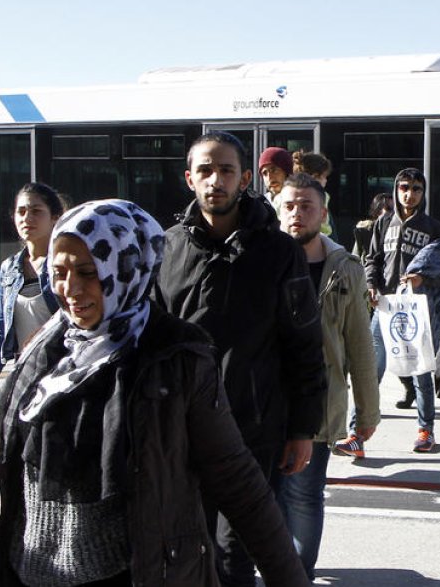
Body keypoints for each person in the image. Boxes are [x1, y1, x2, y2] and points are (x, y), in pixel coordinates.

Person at [0, 199, 309, 587]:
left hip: (130, 575)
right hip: (29, 573)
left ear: (127, 268)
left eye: (88, 272)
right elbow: (16, 485)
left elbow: (238, 483)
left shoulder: (174, 357)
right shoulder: (45, 348)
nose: (70, 289)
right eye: (59, 272)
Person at [153, 132, 327, 586]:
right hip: (180, 431)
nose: (216, 180)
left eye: (226, 170)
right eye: (205, 171)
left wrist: (302, 429)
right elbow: (148, 342)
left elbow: (305, 345)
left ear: (245, 178)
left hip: (253, 431)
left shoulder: (279, 252)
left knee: (235, 555)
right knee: (186, 545)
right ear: (189, 178)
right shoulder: (166, 249)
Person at [275, 173, 379, 578]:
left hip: (319, 402)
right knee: (268, 496)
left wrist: (367, 412)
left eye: (306, 206)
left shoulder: (344, 268)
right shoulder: (260, 258)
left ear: (323, 214)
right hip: (266, 401)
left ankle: (298, 575)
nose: (296, 214)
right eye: (289, 206)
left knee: (303, 495)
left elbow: (360, 345)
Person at [362, 167, 440, 453]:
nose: (409, 194)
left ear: (423, 193)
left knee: (421, 373)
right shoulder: (383, 223)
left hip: (417, 309)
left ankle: (426, 430)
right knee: (370, 370)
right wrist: (371, 285)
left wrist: (423, 279)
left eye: (416, 189)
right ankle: (356, 432)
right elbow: (372, 259)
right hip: (385, 306)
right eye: (404, 187)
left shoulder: (435, 229)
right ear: (396, 189)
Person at [0, 182, 64, 429]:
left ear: (55, 218)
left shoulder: (65, 265)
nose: (27, 218)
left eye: (36, 211)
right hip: (25, 378)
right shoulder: (9, 268)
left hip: (62, 376)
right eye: (21, 211)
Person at [291, 149, 334, 237]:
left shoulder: (287, 194)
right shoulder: (322, 195)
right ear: (315, 177)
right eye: (324, 177)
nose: (326, 181)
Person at [352, 192, 392, 262]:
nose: (393, 213)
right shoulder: (365, 232)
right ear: (378, 212)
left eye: (396, 209)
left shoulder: (398, 230)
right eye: (389, 209)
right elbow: (355, 259)